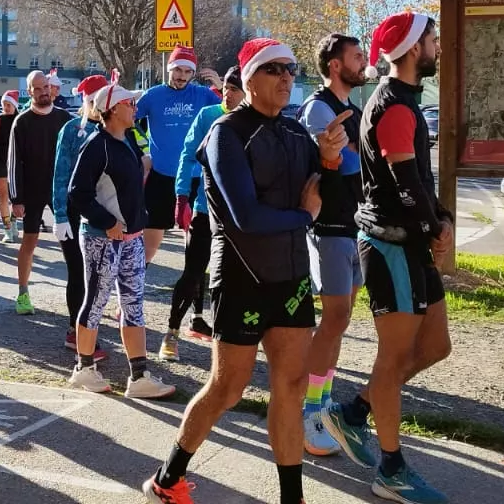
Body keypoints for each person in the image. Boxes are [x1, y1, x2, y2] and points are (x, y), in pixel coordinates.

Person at [146, 38, 348, 504]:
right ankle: (167, 479)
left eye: (291, 68)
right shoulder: (226, 133)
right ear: (249, 78)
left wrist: (331, 160)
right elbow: (246, 218)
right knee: (228, 388)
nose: (286, 77)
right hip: (242, 277)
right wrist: (305, 217)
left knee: (291, 387)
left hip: (291, 277)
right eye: (274, 69)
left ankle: (292, 498)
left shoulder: (297, 133)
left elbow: (332, 201)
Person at [342, 13, 454, 503]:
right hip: (391, 246)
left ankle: (353, 413)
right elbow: (406, 187)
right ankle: (391, 469)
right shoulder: (393, 107)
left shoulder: (406, 101)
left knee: (435, 346)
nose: (437, 46)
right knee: (392, 360)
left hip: (411, 242)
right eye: (432, 39)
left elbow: (421, 184)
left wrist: (442, 218)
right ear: (412, 50)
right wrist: (434, 230)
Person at [66, 75, 177, 399]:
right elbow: (77, 192)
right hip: (102, 239)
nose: (135, 108)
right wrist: (107, 221)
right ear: (112, 109)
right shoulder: (96, 146)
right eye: (130, 103)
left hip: (131, 239)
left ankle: (139, 376)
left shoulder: (126, 139)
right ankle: (84, 369)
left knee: (133, 305)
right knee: (96, 301)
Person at [297, 33, 374, 462]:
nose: (363, 62)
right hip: (328, 227)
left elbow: (365, 163)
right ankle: (310, 411)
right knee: (334, 318)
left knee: (340, 321)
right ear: (334, 65)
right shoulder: (318, 108)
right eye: (356, 57)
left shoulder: (352, 111)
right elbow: (344, 164)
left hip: (354, 224)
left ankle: (323, 403)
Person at [163, 66, 243, 358]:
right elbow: (187, 156)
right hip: (204, 208)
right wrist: (181, 196)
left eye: (234, 90)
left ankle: (228, 341)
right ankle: (171, 333)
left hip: (239, 214)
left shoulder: (253, 121)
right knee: (193, 272)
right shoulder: (208, 115)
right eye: (226, 88)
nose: (227, 94)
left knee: (232, 279)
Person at [134, 45, 222, 265]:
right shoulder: (153, 95)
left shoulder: (203, 95)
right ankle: (136, 278)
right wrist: (142, 151)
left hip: (195, 177)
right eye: (178, 70)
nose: (182, 76)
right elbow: (127, 122)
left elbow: (233, 113)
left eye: (187, 71)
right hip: (161, 176)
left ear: (193, 73)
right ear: (169, 69)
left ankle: (194, 281)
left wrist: (221, 88)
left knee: (195, 236)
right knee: (150, 239)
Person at [53, 75, 113, 355]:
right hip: (74, 211)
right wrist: (60, 214)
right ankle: (75, 332)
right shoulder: (71, 130)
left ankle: (89, 328)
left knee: (99, 275)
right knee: (79, 272)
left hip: (103, 212)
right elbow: (60, 173)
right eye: (95, 102)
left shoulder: (113, 129)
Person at [7, 70, 74, 315]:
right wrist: (16, 198)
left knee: (71, 243)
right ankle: (23, 293)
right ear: (29, 92)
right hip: (32, 191)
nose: (44, 92)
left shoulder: (65, 118)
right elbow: (14, 162)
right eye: (38, 88)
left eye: (46, 87)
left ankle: (79, 292)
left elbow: (76, 154)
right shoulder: (21, 122)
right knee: (30, 241)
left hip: (61, 190)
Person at [0, 90, 21, 243]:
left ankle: (14, 221)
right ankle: (7, 229)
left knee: (17, 196)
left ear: (15, 105)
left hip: (18, 163)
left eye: (9, 104)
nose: (6, 107)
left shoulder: (21, 119)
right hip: (1, 163)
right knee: (3, 195)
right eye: (4, 104)